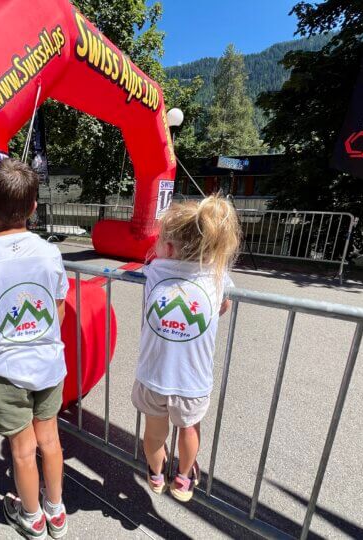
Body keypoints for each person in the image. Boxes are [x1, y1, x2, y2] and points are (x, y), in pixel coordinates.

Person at [0, 158, 69, 539]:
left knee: (22, 450)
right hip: (49, 365)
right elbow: (58, 310)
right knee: (50, 441)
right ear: (35, 206)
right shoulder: (51, 253)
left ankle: (32, 517)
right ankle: (56, 513)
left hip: (6, 372)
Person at [131, 195, 240, 502]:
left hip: (153, 375)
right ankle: (183, 479)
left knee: (154, 432)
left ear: (168, 247)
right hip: (191, 380)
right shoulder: (217, 277)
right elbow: (224, 306)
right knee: (189, 429)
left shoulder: (155, 271)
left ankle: (155, 475)